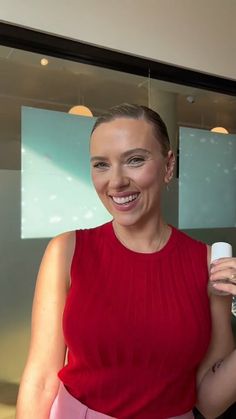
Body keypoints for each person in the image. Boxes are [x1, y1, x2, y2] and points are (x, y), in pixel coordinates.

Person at [16, 104, 236, 419]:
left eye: (134, 160)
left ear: (168, 165)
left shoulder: (208, 263)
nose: (116, 181)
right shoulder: (66, 250)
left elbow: (211, 403)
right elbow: (40, 378)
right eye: (101, 164)